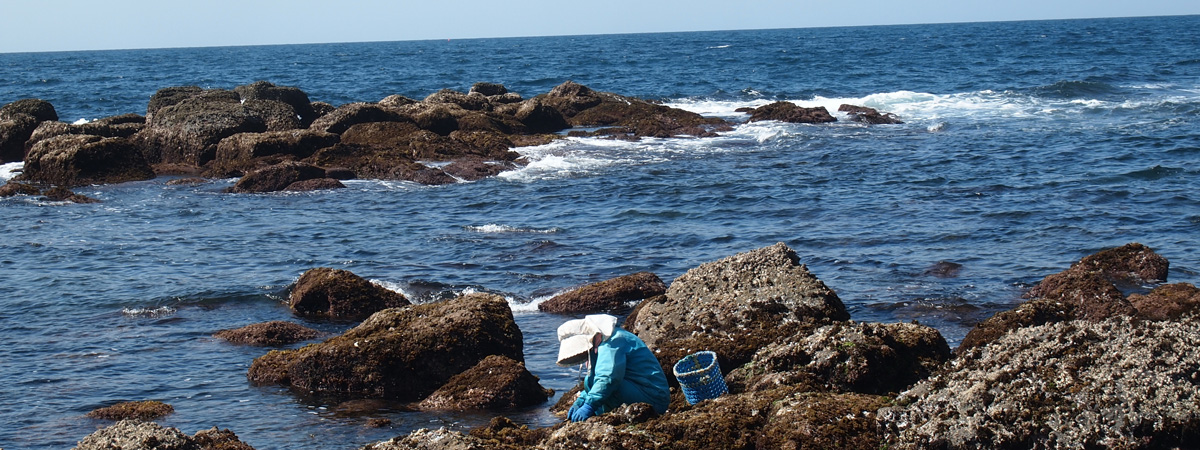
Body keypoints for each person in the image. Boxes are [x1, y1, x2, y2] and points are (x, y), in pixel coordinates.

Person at [556, 314, 671, 422]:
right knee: (592, 383)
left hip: (653, 398)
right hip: (640, 391)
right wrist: (581, 400)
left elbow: (608, 379)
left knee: (609, 388)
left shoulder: (613, 342)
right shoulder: (602, 344)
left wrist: (589, 405)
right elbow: (595, 380)